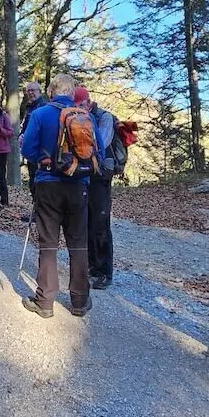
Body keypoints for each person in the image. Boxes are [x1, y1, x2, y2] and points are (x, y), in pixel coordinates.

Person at [20, 73, 99, 318]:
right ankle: (80, 300)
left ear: (51, 91)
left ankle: (45, 301)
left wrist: (46, 159)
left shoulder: (40, 114)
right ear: (73, 93)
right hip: (79, 184)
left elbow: (27, 149)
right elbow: (99, 151)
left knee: (49, 244)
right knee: (78, 243)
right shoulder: (86, 117)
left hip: (48, 184)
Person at [74, 86, 115, 290]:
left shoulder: (104, 117)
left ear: (88, 103)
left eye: (81, 105)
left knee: (100, 222)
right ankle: (91, 266)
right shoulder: (76, 117)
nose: (79, 108)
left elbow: (102, 142)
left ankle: (104, 272)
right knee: (86, 221)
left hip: (101, 176)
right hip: (85, 174)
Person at [18, 81, 46, 197]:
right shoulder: (29, 107)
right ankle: (35, 204)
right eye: (28, 91)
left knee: (39, 181)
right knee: (33, 180)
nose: (30, 93)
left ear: (39, 91)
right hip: (31, 150)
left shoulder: (44, 107)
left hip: (41, 150)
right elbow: (26, 126)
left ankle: (39, 205)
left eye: (33, 90)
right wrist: (21, 135)